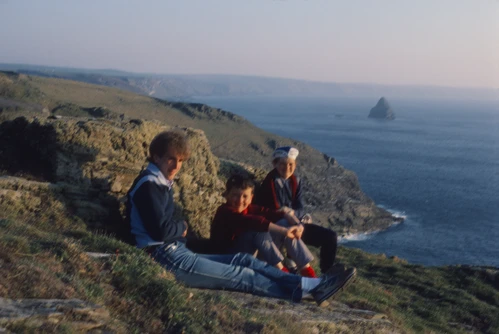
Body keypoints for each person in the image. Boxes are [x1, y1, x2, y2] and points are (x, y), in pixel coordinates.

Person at [125, 130, 356, 305]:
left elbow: (259, 214)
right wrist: (182, 225)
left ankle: (315, 284)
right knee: (242, 276)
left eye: (181, 160)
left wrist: (285, 215)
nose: (176, 165)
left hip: (174, 251)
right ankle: (308, 290)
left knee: (245, 261)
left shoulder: (159, 181)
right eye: (171, 159)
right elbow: (160, 231)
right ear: (156, 156)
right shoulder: (150, 185)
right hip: (163, 256)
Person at [211, 174, 318, 277]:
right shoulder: (224, 211)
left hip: (249, 256)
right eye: (235, 195)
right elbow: (252, 221)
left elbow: (275, 214)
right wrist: (283, 231)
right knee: (257, 231)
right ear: (226, 195)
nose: (240, 200)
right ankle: (284, 275)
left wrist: (297, 225)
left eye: (245, 196)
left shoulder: (249, 208)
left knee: (284, 223)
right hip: (228, 259)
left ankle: (308, 274)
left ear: (251, 197)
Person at [256, 146, 339, 274]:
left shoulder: (296, 181)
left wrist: (293, 213)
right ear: (275, 164)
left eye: (291, 164)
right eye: (283, 164)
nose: (287, 167)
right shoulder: (270, 183)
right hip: (279, 228)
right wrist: (295, 218)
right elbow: (278, 211)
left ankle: (326, 273)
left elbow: (300, 207)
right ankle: (296, 265)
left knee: (330, 237)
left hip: (294, 223)